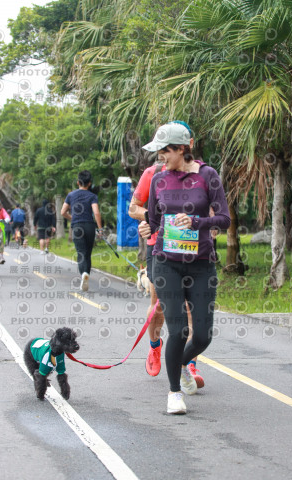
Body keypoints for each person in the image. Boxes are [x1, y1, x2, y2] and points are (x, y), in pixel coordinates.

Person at [139, 122, 230, 414]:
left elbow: (225, 219)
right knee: (178, 330)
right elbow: (153, 220)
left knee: (203, 335)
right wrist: (145, 227)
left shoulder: (208, 176)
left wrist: (198, 223)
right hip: (166, 263)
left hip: (201, 264)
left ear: (181, 149)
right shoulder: (158, 179)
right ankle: (174, 393)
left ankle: (180, 363)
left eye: (164, 151)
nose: (160, 158)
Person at [128, 121, 205, 388]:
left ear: (188, 145)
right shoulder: (153, 173)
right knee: (160, 305)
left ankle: (189, 363)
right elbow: (134, 208)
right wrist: (151, 219)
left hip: (191, 249)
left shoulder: (202, 174)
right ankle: (154, 345)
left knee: (191, 307)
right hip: (158, 247)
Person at [61, 170, 103, 292]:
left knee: (81, 253)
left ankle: (83, 274)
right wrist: (100, 229)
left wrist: (72, 218)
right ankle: (86, 274)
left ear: (78, 182)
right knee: (88, 254)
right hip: (90, 226)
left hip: (77, 226)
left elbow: (63, 212)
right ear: (89, 183)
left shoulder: (71, 195)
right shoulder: (92, 196)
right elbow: (96, 212)